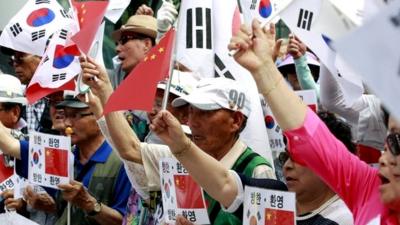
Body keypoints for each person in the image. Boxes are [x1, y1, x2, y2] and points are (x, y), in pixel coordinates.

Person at [228, 19, 400, 224]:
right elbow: (312, 138)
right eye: (388, 140)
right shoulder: (369, 190)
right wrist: (264, 69)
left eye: (397, 143)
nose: (384, 158)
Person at [81, 56, 274, 224]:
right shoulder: (179, 156)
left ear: (235, 121)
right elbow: (130, 149)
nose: (193, 121)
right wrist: (105, 90)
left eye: (205, 113)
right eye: (190, 111)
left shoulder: (258, 171)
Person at [0, 94, 132, 225]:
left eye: (76, 115)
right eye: (66, 115)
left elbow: (127, 220)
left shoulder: (123, 162)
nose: (67, 123)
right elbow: (11, 146)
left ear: (100, 117)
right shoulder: (62, 155)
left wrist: (89, 203)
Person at [9, 51, 52, 133]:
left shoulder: (64, 95)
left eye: (20, 58)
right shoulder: (13, 99)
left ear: (41, 57)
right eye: (13, 60)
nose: (15, 64)